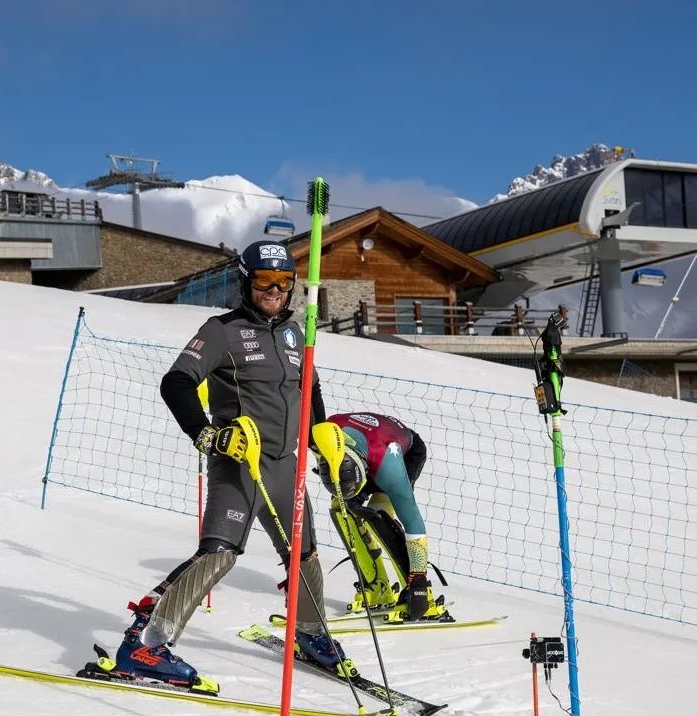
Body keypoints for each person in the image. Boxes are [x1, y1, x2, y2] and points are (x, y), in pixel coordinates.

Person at [104, 240, 356, 689]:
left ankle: (311, 633)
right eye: (264, 281)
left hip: (285, 467)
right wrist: (204, 433)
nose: (274, 290)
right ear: (246, 282)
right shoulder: (222, 330)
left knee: (304, 553)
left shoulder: (298, 332)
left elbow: (309, 389)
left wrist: (321, 439)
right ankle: (147, 644)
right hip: (240, 462)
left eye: (283, 282)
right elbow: (176, 383)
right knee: (220, 553)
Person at [315, 412, 451, 622]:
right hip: (360, 452)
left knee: (380, 513)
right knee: (341, 508)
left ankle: (420, 593)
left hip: (399, 453)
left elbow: (413, 522)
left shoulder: (390, 468)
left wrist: (419, 580)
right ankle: (377, 586)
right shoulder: (326, 439)